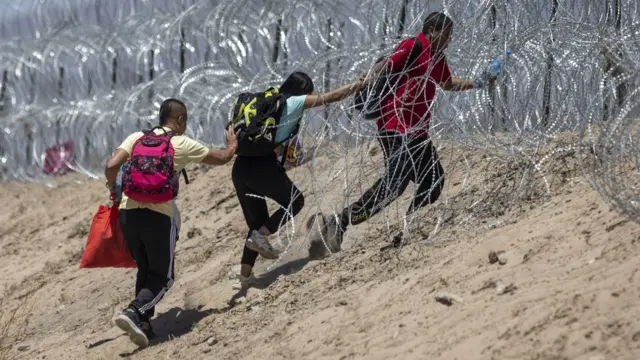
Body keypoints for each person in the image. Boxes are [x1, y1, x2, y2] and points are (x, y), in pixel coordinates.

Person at [309, 12, 498, 256]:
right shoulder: (414, 45)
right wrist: (367, 81)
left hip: (417, 131)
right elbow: (385, 66)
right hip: (396, 126)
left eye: (451, 35)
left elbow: (447, 84)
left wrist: (478, 82)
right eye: (446, 34)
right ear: (431, 30)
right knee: (395, 184)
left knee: (434, 180)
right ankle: (340, 221)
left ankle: (410, 227)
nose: (449, 39)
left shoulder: (437, 56)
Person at [104, 98, 238, 348]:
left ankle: (142, 323)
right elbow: (222, 157)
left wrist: (114, 189)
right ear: (179, 120)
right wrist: (232, 143)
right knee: (164, 278)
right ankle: (133, 311)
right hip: (159, 216)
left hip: (128, 214)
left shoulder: (136, 138)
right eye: (185, 120)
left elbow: (111, 165)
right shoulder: (181, 143)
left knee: (145, 268)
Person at [231, 71, 365, 290]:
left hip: (240, 168)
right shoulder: (293, 101)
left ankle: (245, 277)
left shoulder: (269, 102)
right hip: (260, 166)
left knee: (257, 224)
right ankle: (262, 236)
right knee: (295, 201)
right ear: (304, 91)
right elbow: (330, 97)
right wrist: (359, 85)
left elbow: (274, 144)